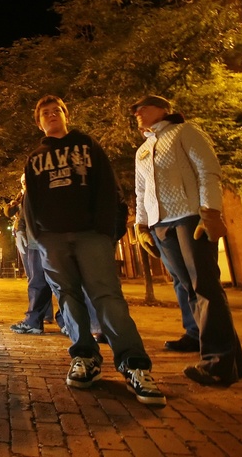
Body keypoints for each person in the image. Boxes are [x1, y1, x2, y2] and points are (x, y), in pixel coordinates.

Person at [22, 94, 165, 406]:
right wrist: (40, 238)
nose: (51, 115)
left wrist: (107, 230)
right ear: (39, 122)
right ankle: (85, 357)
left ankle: (134, 364)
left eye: (56, 110)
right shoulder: (35, 157)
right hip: (53, 240)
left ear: (65, 114)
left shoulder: (87, 145)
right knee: (68, 298)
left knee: (106, 296)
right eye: (44, 113)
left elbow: (106, 187)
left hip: (91, 235)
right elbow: (30, 201)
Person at [132, 94, 242, 385]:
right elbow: (141, 190)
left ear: (163, 109)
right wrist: (141, 225)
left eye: (144, 107)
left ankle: (218, 363)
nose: (138, 112)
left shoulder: (185, 132)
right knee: (189, 289)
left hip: (189, 218)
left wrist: (209, 211)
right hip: (161, 226)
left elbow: (207, 170)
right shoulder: (143, 150)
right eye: (135, 110)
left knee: (205, 287)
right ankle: (229, 360)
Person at [6, 174, 53, 334]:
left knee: (58, 283)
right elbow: (19, 215)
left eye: (28, 180)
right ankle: (36, 319)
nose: (26, 183)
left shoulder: (44, 190)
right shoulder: (22, 196)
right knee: (37, 281)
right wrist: (19, 231)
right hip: (32, 241)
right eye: (23, 181)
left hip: (50, 241)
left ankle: (66, 320)